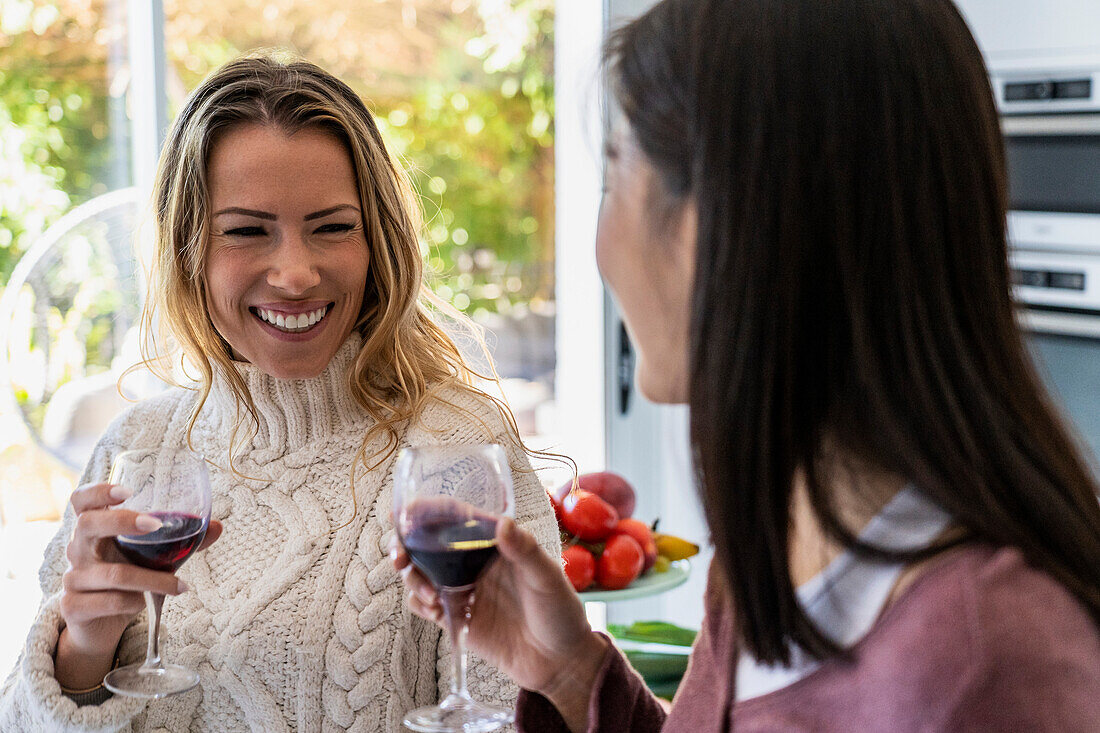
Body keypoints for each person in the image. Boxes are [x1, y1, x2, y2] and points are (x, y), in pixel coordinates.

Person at [394, 0, 1100, 730]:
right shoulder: (777, 546)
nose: (600, 250)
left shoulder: (986, 664)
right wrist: (572, 670)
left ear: (714, 227)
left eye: (614, 173)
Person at [0, 53, 559, 732]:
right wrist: (85, 642)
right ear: (189, 250)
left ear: (377, 241)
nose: (295, 273)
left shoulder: (457, 445)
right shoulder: (137, 446)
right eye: (246, 231)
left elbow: (519, 711)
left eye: (331, 227)